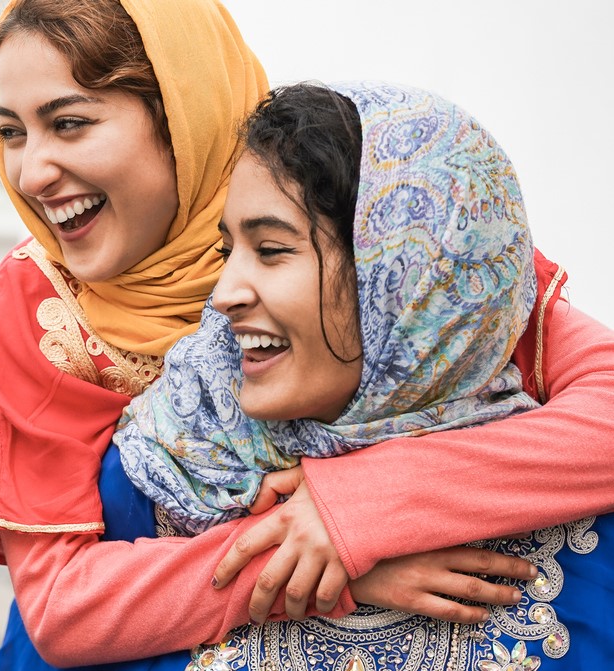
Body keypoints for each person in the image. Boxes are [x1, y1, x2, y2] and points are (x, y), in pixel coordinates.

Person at [0, 0, 614, 667]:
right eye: (10, 132)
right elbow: (60, 605)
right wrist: (307, 564)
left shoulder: (372, 203)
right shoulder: (41, 304)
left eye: (69, 123)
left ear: (183, 115)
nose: (30, 172)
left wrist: (364, 502)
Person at [113, 80, 614, 669]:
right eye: (229, 253)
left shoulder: (580, 515)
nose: (222, 296)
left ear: (403, 282)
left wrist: (360, 505)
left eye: (272, 250)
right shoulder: (164, 470)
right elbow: (56, 622)